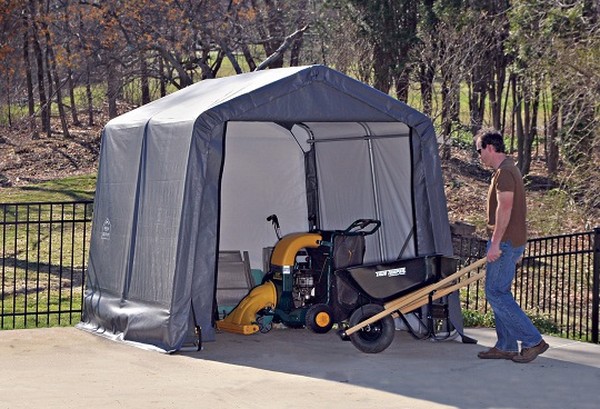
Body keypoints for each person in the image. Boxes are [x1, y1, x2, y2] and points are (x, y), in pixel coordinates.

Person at [474, 129, 549, 363]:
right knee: (500, 292)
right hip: (510, 241)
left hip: (505, 242)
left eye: (479, 151)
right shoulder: (507, 169)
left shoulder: (505, 172)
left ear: (489, 148)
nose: (478, 156)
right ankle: (506, 345)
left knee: (495, 292)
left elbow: (504, 208)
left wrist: (496, 244)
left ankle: (532, 340)